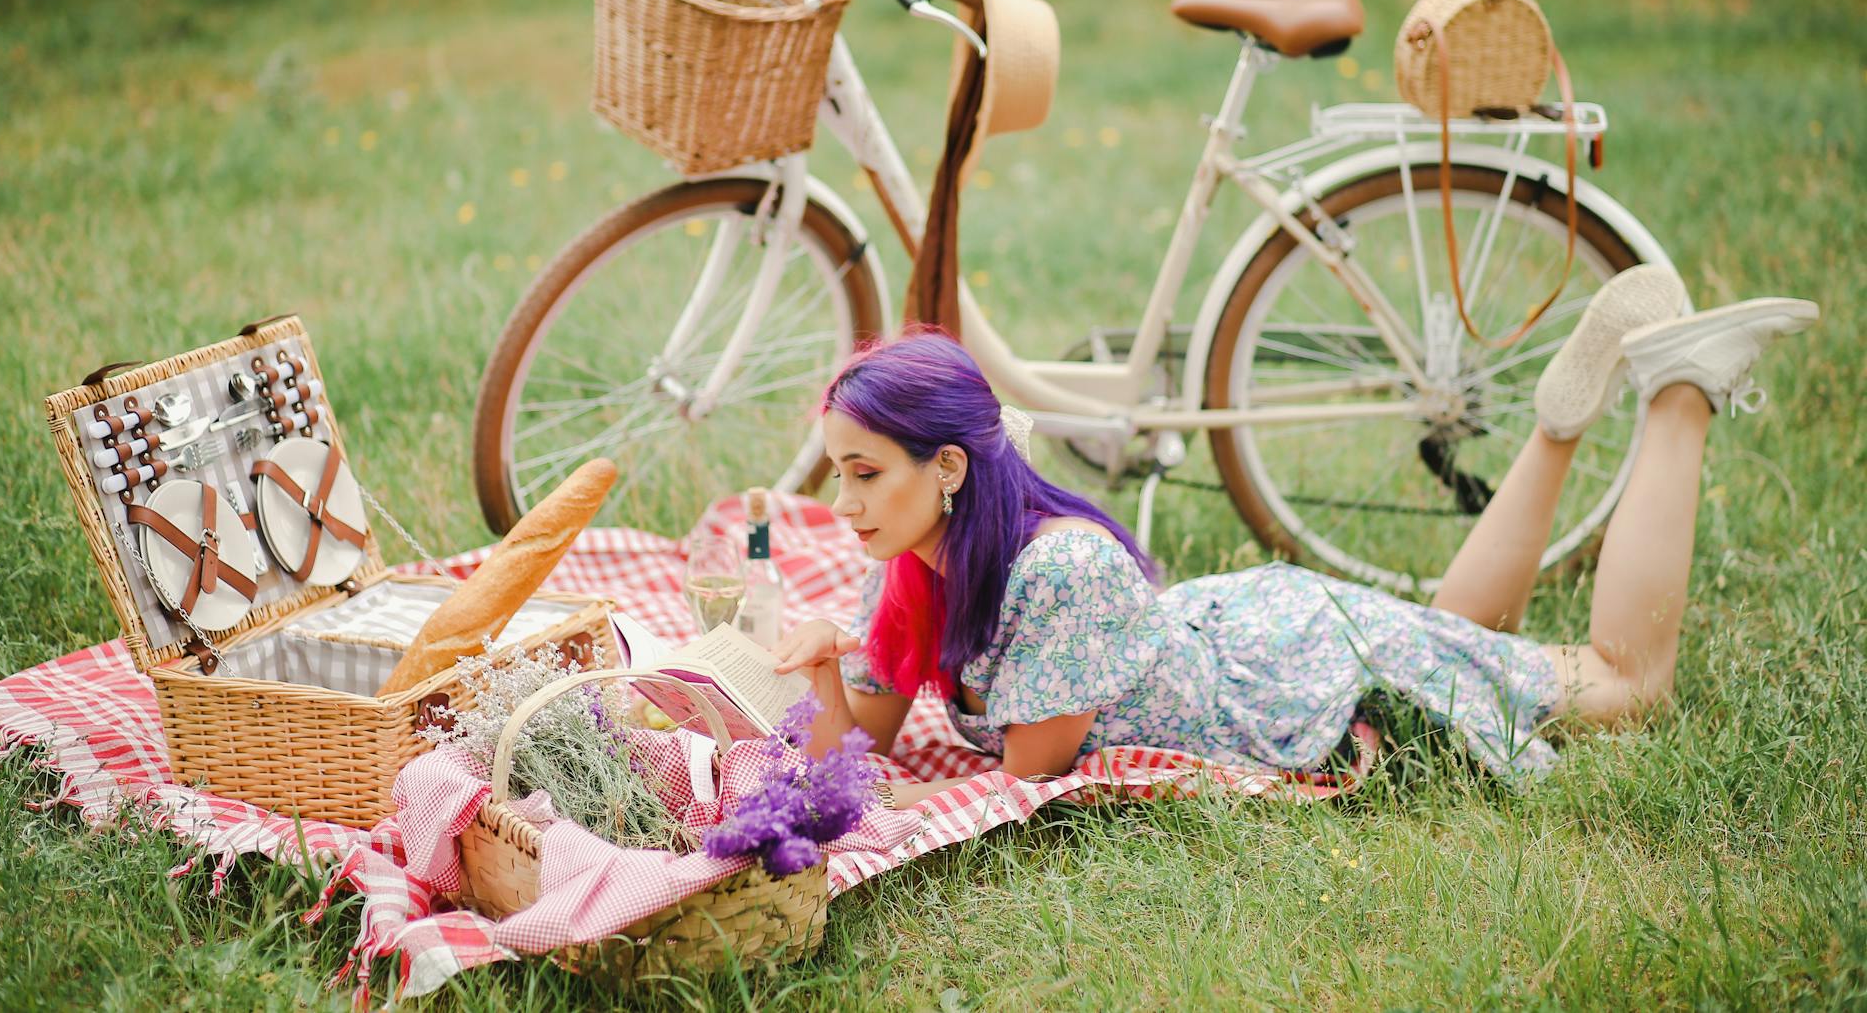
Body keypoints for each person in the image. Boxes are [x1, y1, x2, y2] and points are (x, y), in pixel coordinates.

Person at [770, 267, 1818, 808]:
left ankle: (1681, 385)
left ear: (945, 468)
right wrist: (824, 679)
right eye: (836, 472)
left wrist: (895, 796)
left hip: (1284, 668)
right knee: (1454, 634)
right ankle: (1554, 422)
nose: (845, 499)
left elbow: (1026, 772)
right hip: (1241, 630)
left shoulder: (1061, 569)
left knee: (1623, 683)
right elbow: (855, 740)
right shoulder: (910, 559)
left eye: (865, 471)